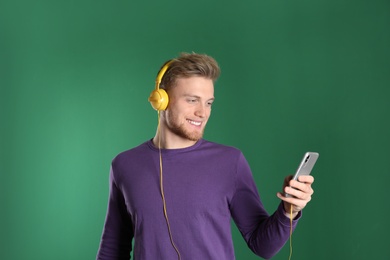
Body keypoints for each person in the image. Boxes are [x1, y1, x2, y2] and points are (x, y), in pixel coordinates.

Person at [96, 53, 314, 260]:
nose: (203, 112)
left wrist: (288, 211)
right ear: (161, 100)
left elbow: (263, 246)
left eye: (208, 102)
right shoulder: (125, 165)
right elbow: (113, 250)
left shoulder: (230, 161)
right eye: (192, 100)